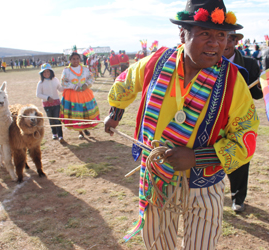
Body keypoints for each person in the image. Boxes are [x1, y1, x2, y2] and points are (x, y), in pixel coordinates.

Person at [104, 0, 259, 249]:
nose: (215, 42)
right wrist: (115, 111)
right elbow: (127, 80)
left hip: (203, 186)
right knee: (157, 244)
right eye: (205, 33)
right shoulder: (156, 62)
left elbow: (245, 139)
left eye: (221, 35)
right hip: (156, 179)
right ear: (182, 33)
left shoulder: (233, 81)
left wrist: (196, 158)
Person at [223, 31, 263, 212]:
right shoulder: (204, 61)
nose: (224, 43)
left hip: (238, 121)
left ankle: (238, 197)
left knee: (238, 158)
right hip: (210, 121)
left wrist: (261, 84)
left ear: (234, 41)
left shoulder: (248, 63)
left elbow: (257, 94)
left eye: (229, 38)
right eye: (220, 36)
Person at [60, 52, 100, 139]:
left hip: (84, 93)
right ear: (70, 60)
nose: (76, 60)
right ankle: (80, 132)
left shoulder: (85, 69)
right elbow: (63, 82)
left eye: (77, 58)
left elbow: (91, 77)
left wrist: (86, 84)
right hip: (72, 96)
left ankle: (85, 128)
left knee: (85, 112)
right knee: (77, 113)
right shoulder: (66, 70)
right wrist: (73, 86)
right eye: (73, 59)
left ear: (80, 59)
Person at [36, 63, 64, 142]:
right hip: (47, 105)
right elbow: (38, 94)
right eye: (44, 72)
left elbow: (60, 88)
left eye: (48, 71)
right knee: (51, 119)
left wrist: (65, 86)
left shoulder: (55, 80)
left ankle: (60, 135)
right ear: (42, 74)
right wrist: (47, 98)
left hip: (56, 103)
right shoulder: (40, 83)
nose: (46, 73)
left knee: (57, 119)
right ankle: (54, 133)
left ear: (51, 72)